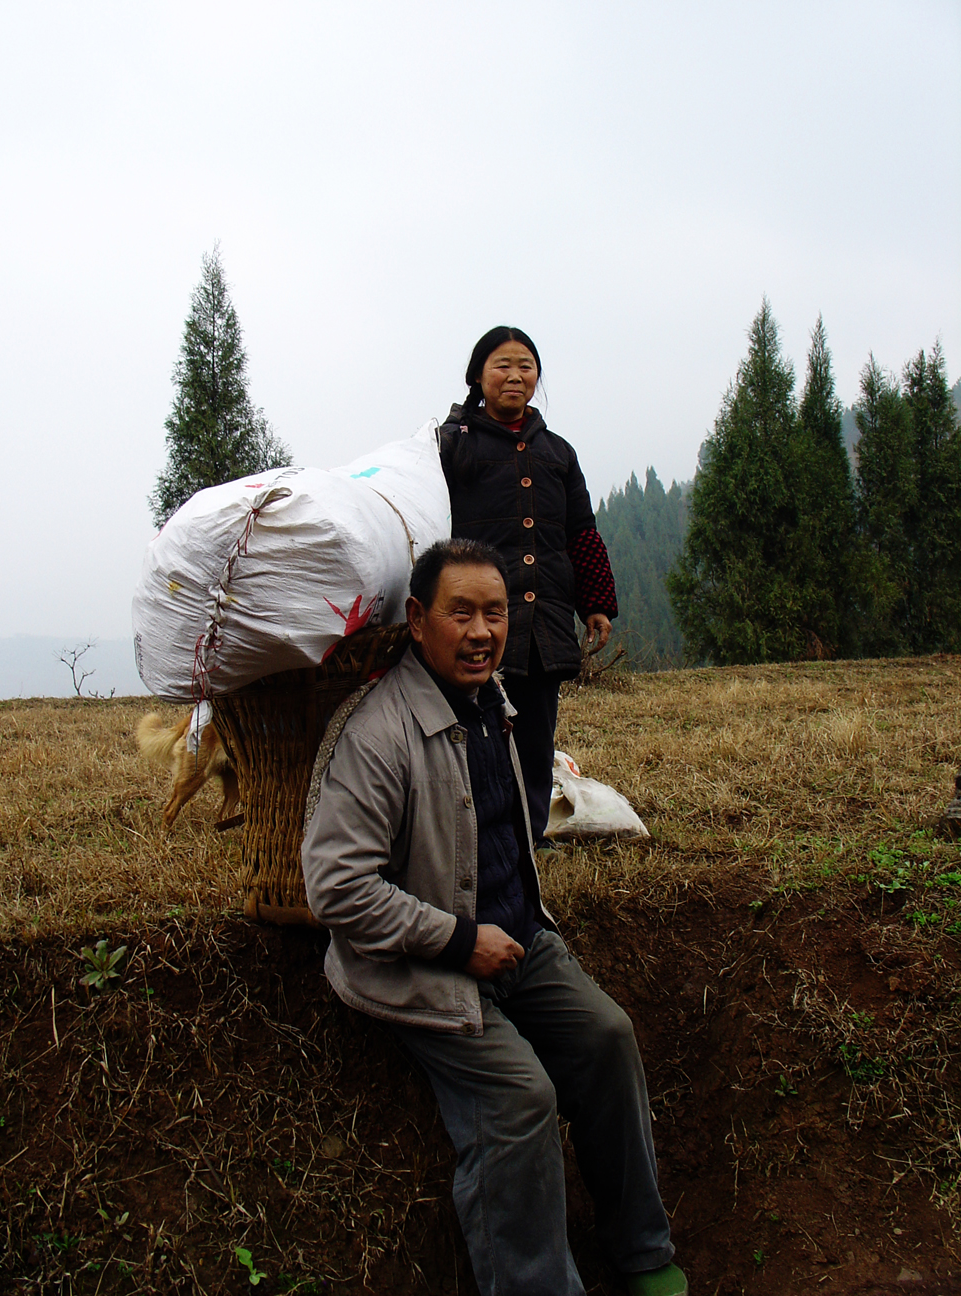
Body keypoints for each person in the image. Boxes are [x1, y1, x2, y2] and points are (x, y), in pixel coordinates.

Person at [302, 539, 687, 1296]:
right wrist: (456, 940)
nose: (481, 632)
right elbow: (336, 888)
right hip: (425, 965)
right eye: (461, 613)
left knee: (608, 1038)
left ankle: (642, 1250)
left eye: (495, 613)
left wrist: (508, 932)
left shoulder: (493, 704)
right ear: (417, 620)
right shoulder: (378, 734)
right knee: (522, 1099)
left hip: (517, 938)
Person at [438, 327, 618, 846]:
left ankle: (530, 836)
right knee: (469, 727)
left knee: (536, 736)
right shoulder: (453, 446)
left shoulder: (558, 453)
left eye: (526, 366)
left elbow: (582, 531)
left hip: (544, 619)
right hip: (473, 616)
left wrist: (597, 603)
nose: (516, 376)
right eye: (502, 365)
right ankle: (470, 838)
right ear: (478, 375)